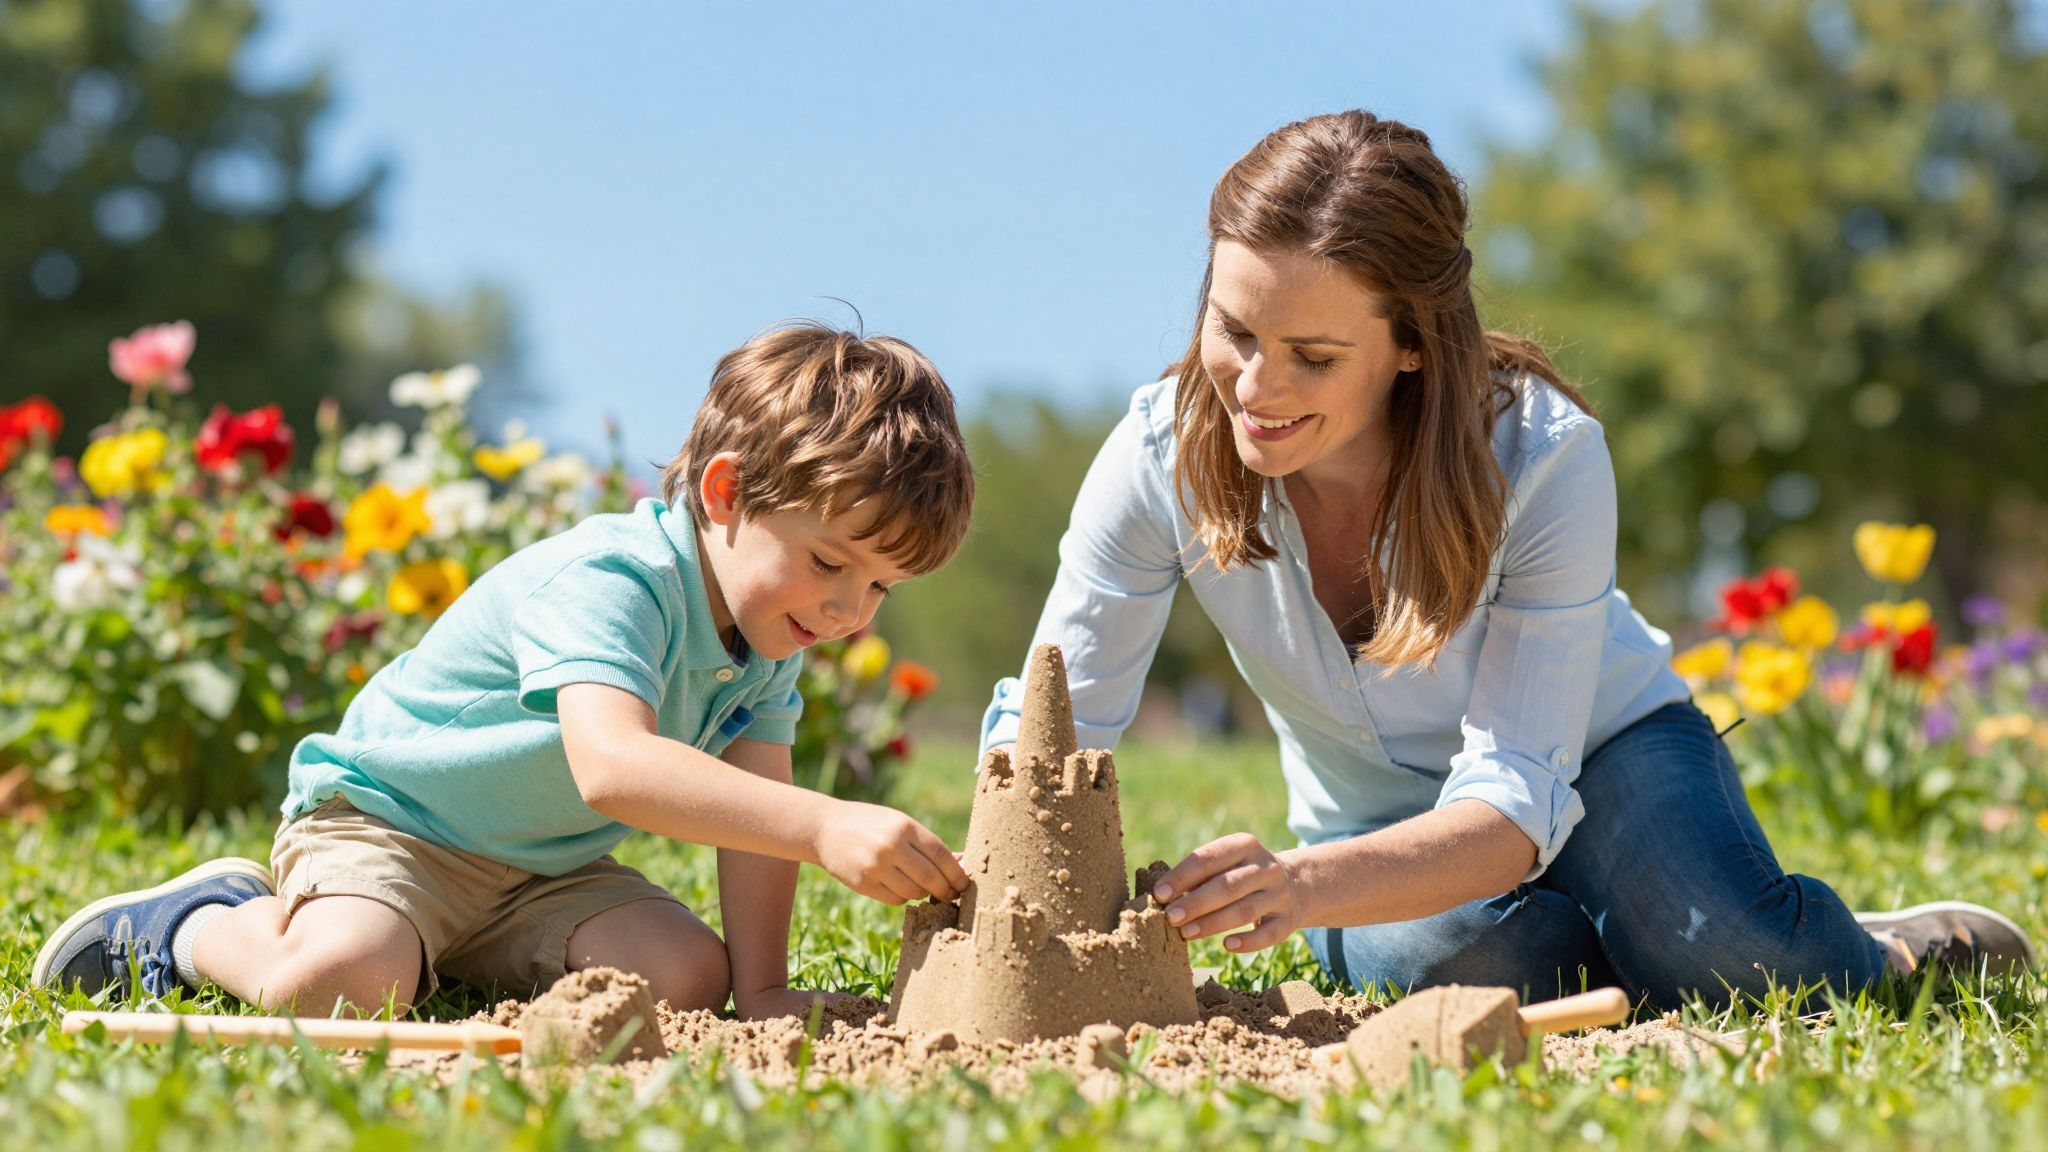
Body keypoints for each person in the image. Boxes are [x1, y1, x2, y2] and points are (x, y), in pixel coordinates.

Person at [982, 110, 2034, 1009]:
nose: (1254, 387)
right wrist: (989, 883)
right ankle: (1624, 939)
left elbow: (1515, 795)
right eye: (1235, 330)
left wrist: (1297, 888)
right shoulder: (1159, 455)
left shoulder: (1541, 457)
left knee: (1728, 953)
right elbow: (1055, 719)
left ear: (1411, 343)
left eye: (1312, 356)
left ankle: (1878, 949)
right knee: (1503, 966)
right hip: (1377, 824)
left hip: (1606, 758)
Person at [37, 323, 975, 1018]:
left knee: (688, 978)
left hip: (541, 872)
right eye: (829, 562)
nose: (849, 611)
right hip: (391, 826)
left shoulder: (768, 636)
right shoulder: (615, 581)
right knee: (341, 981)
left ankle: (430, 952)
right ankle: (201, 923)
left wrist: (762, 990)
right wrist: (825, 823)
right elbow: (613, 767)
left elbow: (758, 820)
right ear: (726, 493)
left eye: (879, 587)